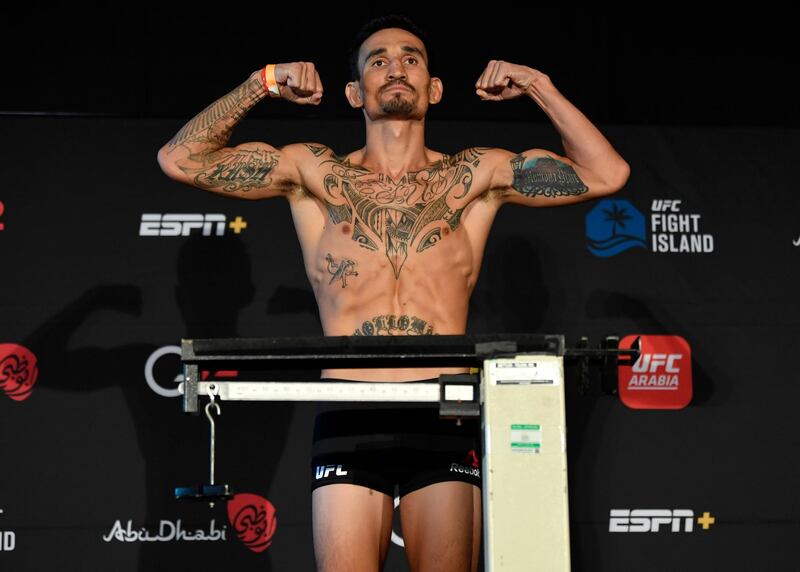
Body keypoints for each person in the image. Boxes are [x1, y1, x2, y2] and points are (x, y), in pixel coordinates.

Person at [157, 14, 629, 572]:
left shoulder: (474, 178)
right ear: (356, 92)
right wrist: (262, 81)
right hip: (348, 410)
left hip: (445, 413)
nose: (395, 68)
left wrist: (538, 87)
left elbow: (608, 174)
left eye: (411, 58)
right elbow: (179, 159)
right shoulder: (315, 173)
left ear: (434, 88)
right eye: (377, 61)